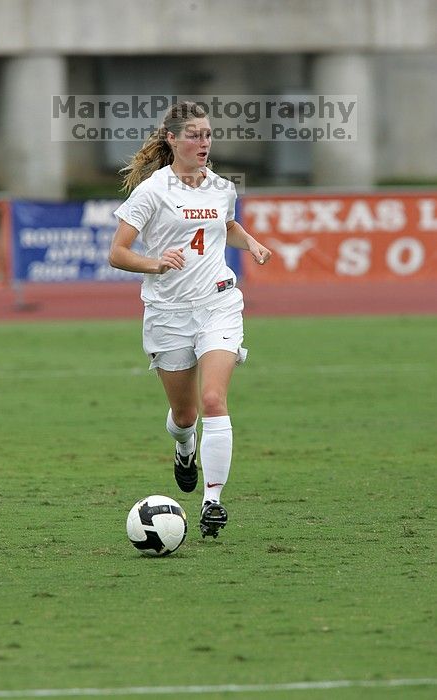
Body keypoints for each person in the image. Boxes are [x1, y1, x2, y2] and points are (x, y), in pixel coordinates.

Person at [109, 101, 271, 539]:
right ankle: (184, 449)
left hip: (218, 304)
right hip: (168, 313)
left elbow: (227, 225)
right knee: (185, 414)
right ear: (173, 140)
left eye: (208, 134)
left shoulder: (222, 186)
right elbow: (117, 253)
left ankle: (212, 503)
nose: (204, 142)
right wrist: (156, 263)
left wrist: (251, 242)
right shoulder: (152, 191)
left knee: (214, 400)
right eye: (195, 135)